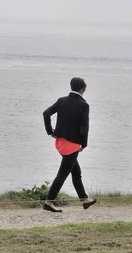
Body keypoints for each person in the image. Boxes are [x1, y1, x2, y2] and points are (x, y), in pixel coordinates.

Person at [42, 77, 97, 212]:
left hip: (60, 142)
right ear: (82, 89)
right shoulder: (84, 105)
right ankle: (49, 202)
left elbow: (46, 113)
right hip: (72, 145)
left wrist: (50, 131)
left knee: (75, 171)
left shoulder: (61, 101)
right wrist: (84, 144)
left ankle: (84, 199)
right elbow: (84, 127)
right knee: (63, 174)